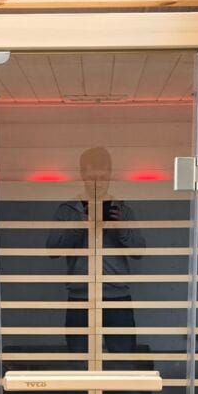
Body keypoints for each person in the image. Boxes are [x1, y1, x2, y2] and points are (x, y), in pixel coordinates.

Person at [46, 147, 144, 355]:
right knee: (80, 362)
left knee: (123, 363)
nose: (98, 182)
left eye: (102, 176)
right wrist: (80, 224)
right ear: (82, 174)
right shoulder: (68, 210)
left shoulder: (122, 210)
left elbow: (139, 250)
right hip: (81, 298)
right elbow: (52, 250)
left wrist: (119, 227)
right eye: (92, 177)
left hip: (117, 298)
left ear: (110, 174)